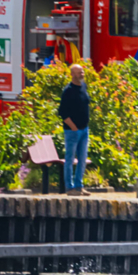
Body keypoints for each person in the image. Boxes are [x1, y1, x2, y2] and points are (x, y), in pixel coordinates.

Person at [58, 63, 90, 197]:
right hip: (72, 131)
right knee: (70, 159)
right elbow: (62, 113)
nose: (82, 74)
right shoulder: (68, 90)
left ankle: (79, 186)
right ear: (72, 74)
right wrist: (73, 127)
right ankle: (69, 187)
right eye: (79, 72)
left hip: (84, 129)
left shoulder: (84, 86)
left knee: (82, 159)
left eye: (82, 72)